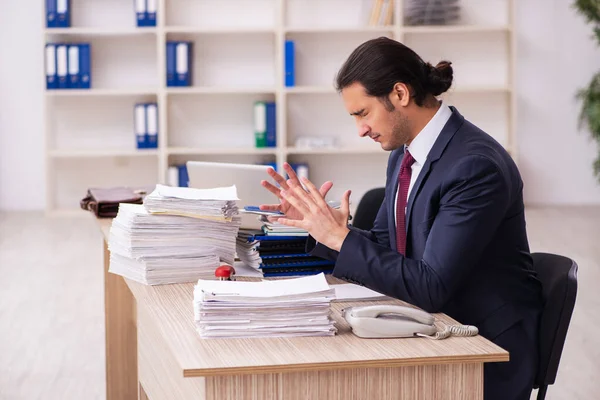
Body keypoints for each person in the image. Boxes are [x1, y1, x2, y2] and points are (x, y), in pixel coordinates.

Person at [259, 36, 543, 400]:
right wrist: (322, 228)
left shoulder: (475, 167)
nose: (360, 129)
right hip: (430, 328)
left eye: (363, 113)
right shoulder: (405, 154)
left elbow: (429, 286)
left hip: (481, 350)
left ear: (399, 94)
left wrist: (340, 238)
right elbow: (390, 246)